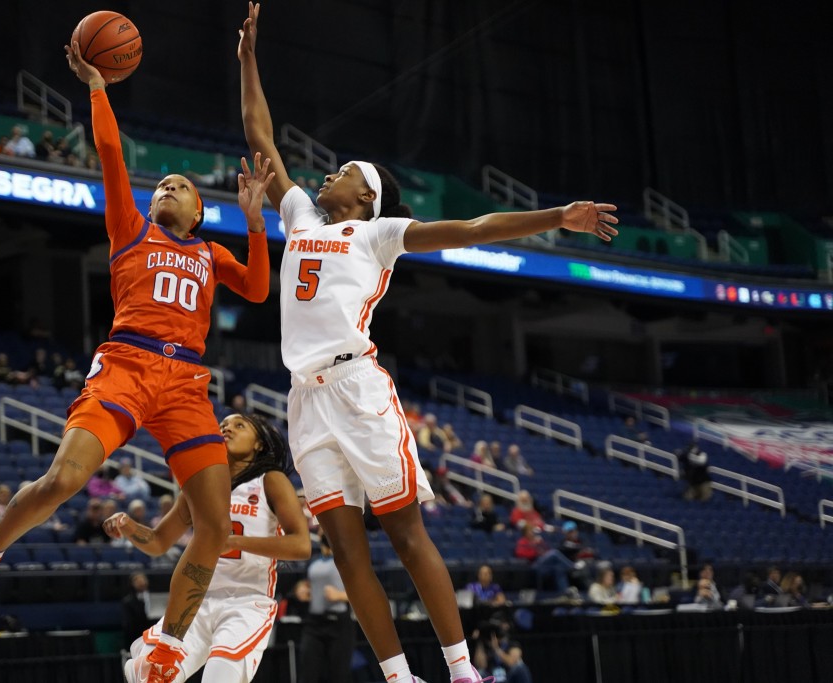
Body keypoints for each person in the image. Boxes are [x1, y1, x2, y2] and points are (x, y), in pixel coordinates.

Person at [238, 5, 618, 681]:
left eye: (347, 170)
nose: (330, 173)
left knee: (408, 536)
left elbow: (473, 227)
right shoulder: (298, 215)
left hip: (357, 388)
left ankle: (462, 670)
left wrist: (558, 217)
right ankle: (398, 675)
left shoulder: (380, 234)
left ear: (369, 195)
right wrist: (248, 58)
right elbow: (260, 133)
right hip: (305, 400)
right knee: (348, 553)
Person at [0, 43, 276, 674]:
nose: (166, 189)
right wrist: (98, 86)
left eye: (178, 186)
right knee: (64, 480)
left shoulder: (210, 254)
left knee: (213, 524)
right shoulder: (131, 228)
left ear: (200, 211)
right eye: (162, 186)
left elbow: (259, 291)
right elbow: (111, 153)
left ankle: (169, 642)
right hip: (128, 363)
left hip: (185, 384)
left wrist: (257, 224)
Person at [106, 413, 310, 683]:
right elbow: (158, 542)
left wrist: (233, 542)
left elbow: (301, 545)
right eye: (223, 426)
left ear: (259, 443)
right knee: (154, 678)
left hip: (246, 602)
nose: (228, 429)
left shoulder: (269, 480)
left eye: (239, 425)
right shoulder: (198, 484)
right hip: (194, 603)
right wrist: (129, 527)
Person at [301, 532, 354, 683]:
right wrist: (303, 590)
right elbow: (306, 583)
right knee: (308, 673)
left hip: (339, 623)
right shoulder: (314, 561)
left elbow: (363, 593)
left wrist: (340, 595)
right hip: (314, 623)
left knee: (338, 675)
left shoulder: (346, 560)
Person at [514, 522, 574, 594]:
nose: (532, 533)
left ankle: (565, 593)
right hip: (533, 565)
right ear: (525, 532)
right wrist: (534, 547)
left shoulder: (536, 540)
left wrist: (541, 543)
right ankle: (573, 567)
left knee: (559, 569)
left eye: (532, 530)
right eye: (530, 531)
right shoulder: (522, 541)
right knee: (554, 553)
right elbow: (520, 554)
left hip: (544, 563)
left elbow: (546, 550)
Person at [122, 572, 156, 646]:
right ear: (132, 584)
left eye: (142, 579)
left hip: (155, 634)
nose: (140, 582)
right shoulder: (128, 601)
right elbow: (129, 624)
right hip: (138, 637)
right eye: (136, 580)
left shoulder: (156, 597)